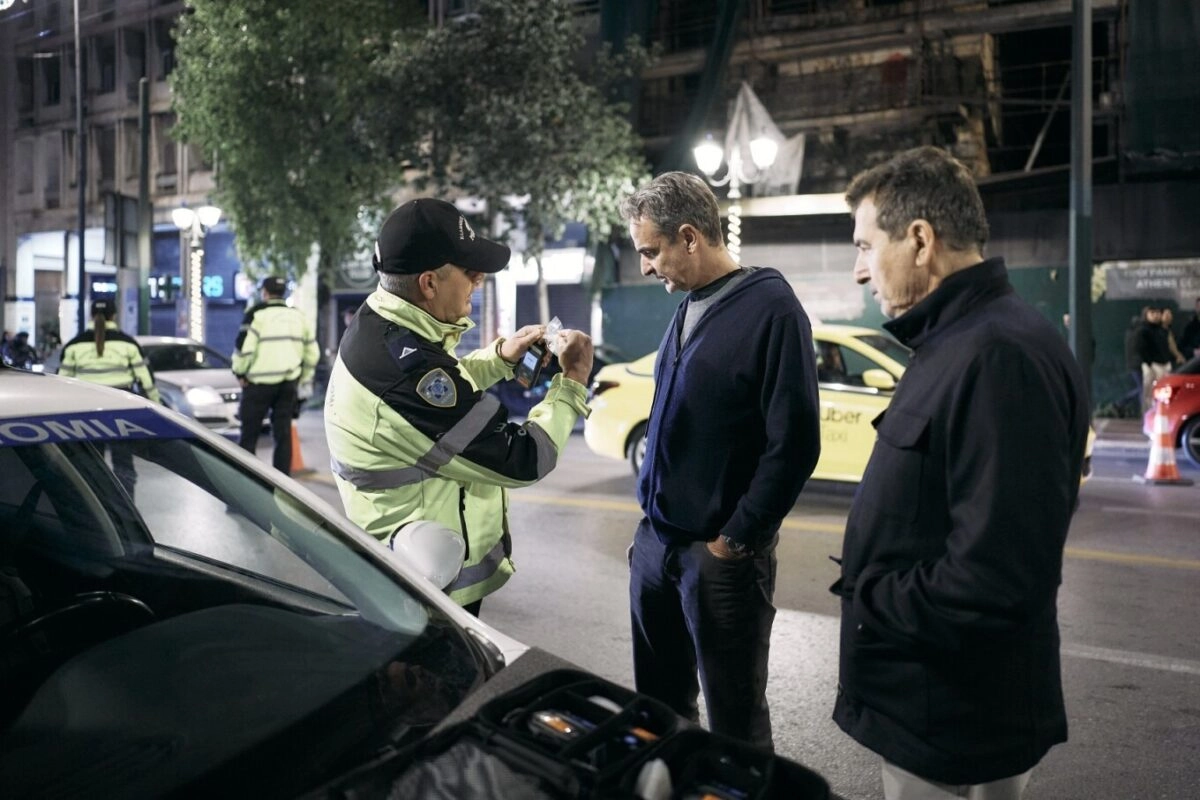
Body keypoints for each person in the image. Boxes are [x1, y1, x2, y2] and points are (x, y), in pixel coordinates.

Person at [834, 146, 1089, 799]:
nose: (859, 271)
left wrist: (871, 597)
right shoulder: (957, 341)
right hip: (935, 710)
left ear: (920, 240)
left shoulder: (998, 355)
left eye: (865, 247)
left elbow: (995, 577)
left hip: (953, 723)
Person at [618, 172, 821, 750]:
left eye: (650, 251)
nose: (645, 267)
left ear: (689, 237)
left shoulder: (773, 309)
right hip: (658, 547)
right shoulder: (689, 305)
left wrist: (735, 540)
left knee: (735, 728)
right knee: (658, 714)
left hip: (719, 560)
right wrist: (649, 533)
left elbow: (795, 443)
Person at [324, 198, 594, 615]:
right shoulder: (404, 372)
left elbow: (443, 389)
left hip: (423, 570)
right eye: (469, 271)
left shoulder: (383, 324)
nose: (479, 279)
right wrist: (572, 381)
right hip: (426, 591)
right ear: (429, 284)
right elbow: (523, 457)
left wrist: (500, 357)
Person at [58, 299, 162, 497]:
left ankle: (96, 509)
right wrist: (156, 406)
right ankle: (126, 509)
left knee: (92, 466)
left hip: (85, 413)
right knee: (123, 465)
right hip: (120, 411)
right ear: (114, 316)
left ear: (91, 316)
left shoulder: (74, 345)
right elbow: (146, 381)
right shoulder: (128, 344)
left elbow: (62, 384)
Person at [232, 276, 319, 475]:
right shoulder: (299, 317)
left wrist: (240, 372)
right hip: (288, 384)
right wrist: (303, 378)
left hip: (257, 385)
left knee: (249, 436)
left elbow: (244, 349)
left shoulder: (257, 315)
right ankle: (282, 484)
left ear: (265, 293)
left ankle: (246, 482)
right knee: (283, 435)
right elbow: (312, 354)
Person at [1135, 306, 1170, 411]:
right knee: (1149, 392)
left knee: (1163, 391)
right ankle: (1148, 413)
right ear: (1146, 315)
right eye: (1152, 313)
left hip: (1164, 364)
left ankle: (1162, 411)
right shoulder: (1143, 330)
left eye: (1157, 312)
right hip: (1151, 365)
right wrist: (1149, 364)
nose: (1155, 315)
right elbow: (1141, 349)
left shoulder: (1162, 330)